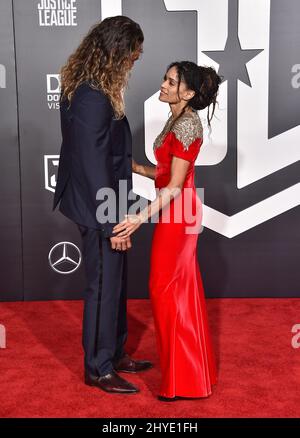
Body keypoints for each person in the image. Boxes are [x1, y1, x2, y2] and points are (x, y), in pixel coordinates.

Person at [53, 16, 152, 395]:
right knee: (102, 286)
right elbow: (93, 164)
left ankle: (116, 352)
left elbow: (106, 154)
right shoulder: (92, 94)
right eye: (132, 54)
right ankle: (97, 367)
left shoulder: (93, 86)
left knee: (116, 282)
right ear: (116, 50)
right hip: (99, 207)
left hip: (110, 199)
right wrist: (112, 222)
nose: (135, 60)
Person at [113, 61, 222, 400]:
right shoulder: (177, 119)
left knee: (165, 292)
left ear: (187, 93)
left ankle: (180, 379)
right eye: (165, 78)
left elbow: (174, 186)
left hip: (179, 214)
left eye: (171, 82)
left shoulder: (188, 125)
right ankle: (188, 375)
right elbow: (164, 174)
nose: (162, 84)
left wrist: (137, 218)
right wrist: (133, 167)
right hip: (175, 211)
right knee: (176, 294)